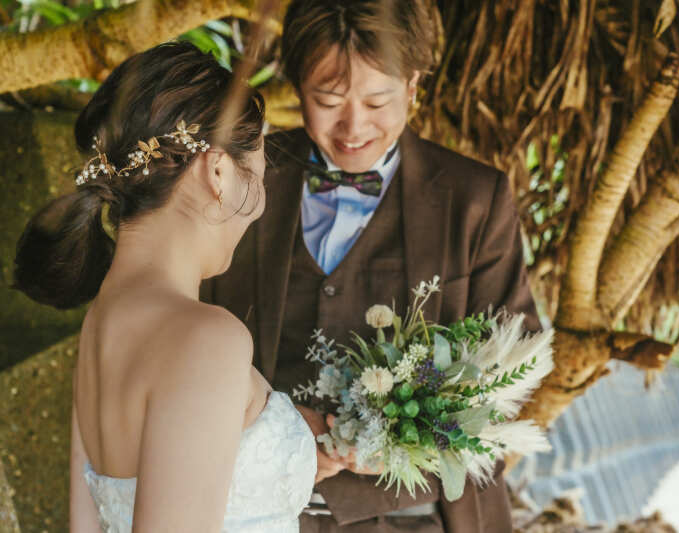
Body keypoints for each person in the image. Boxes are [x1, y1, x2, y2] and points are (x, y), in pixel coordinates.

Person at [201, 1, 542, 531]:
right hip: (257, 511)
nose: (354, 126)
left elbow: (516, 366)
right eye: (328, 100)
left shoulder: (475, 200)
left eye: (378, 101)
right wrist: (264, 422)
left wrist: (406, 443)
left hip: (421, 518)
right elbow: (192, 335)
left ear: (412, 86)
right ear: (298, 87)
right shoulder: (240, 180)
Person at [13, 42, 324, 532]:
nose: (259, 206)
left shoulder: (102, 325)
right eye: (258, 176)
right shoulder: (207, 338)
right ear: (218, 171)